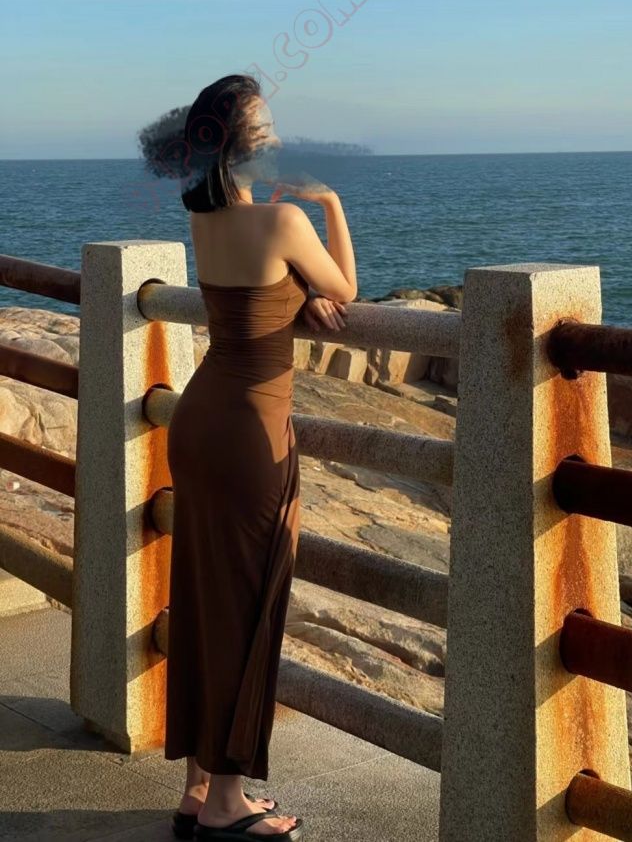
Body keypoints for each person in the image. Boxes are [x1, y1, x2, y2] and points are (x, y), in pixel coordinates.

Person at [164, 74, 357, 840]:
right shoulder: (284, 219)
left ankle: (197, 788)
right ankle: (227, 804)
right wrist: (330, 203)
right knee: (249, 605)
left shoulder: (204, 219)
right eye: (266, 129)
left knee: (203, 597)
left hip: (199, 420)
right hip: (251, 435)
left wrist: (293, 295)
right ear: (243, 145)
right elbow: (347, 288)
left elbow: (252, 295)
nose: (276, 139)